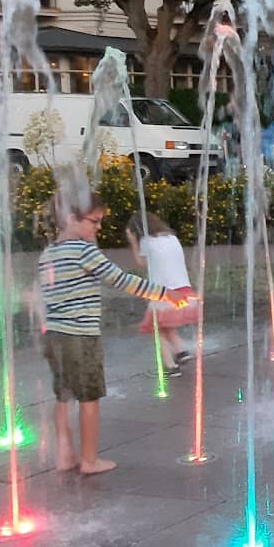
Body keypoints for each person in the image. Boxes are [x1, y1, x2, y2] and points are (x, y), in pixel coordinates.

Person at [37, 199, 192, 474]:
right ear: (71, 219)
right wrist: (165, 294)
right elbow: (121, 280)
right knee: (89, 397)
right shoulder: (84, 250)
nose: (99, 227)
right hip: (81, 336)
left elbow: (45, 292)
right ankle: (89, 461)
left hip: (54, 335)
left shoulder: (48, 252)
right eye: (94, 221)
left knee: (63, 394)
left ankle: (64, 456)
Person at [125, 215, 200, 373]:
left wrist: (133, 243)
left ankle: (171, 367)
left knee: (155, 330)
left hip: (165, 293)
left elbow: (141, 262)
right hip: (184, 291)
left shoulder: (146, 242)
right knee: (165, 325)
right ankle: (181, 352)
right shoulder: (172, 238)